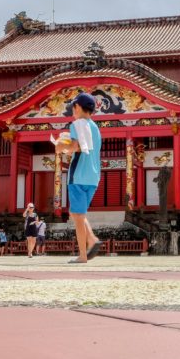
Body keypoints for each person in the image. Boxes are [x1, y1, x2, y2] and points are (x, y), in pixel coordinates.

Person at [55, 92, 103, 264]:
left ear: (77, 107)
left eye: (72, 107)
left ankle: (83, 254)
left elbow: (76, 146)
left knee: (77, 215)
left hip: (78, 174)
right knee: (78, 214)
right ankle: (92, 240)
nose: (72, 111)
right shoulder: (95, 128)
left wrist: (60, 147)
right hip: (93, 176)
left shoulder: (77, 124)